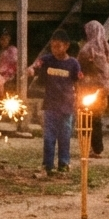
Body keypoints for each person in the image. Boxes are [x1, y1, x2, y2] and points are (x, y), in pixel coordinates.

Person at [27, 29, 81, 175]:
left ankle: (64, 163)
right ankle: (48, 165)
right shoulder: (47, 60)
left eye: (58, 46)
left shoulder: (73, 64)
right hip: (50, 106)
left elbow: (78, 83)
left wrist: (79, 100)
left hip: (66, 107)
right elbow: (35, 65)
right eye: (52, 46)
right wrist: (31, 70)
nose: (55, 49)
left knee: (65, 137)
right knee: (49, 137)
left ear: (67, 45)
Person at [76, 20, 109, 158]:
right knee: (97, 118)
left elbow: (79, 66)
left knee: (85, 117)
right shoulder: (106, 47)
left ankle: (87, 146)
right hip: (104, 86)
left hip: (89, 87)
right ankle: (97, 148)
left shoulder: (87, 49)